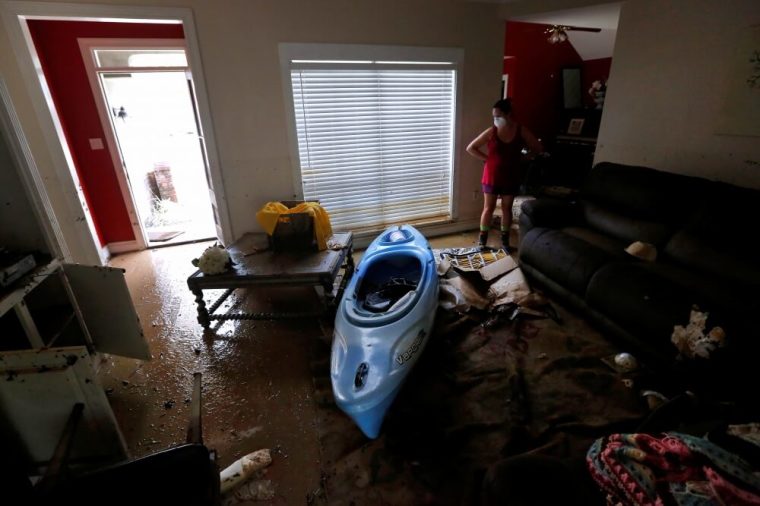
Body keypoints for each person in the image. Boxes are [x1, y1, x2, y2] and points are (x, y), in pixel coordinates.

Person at [466, 98, 543, 250]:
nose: (496, 120)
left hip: (511, 176)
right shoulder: (491, 131)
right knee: (488, 208)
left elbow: (538, 147)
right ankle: (482, 242)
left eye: (498, 116)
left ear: (508, 114)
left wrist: (523, 158)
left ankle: (505, 243)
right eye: (494, 117)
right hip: (492, 175)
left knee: (506, 209)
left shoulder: (521, 130)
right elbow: (471, 147)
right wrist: (488, 159)